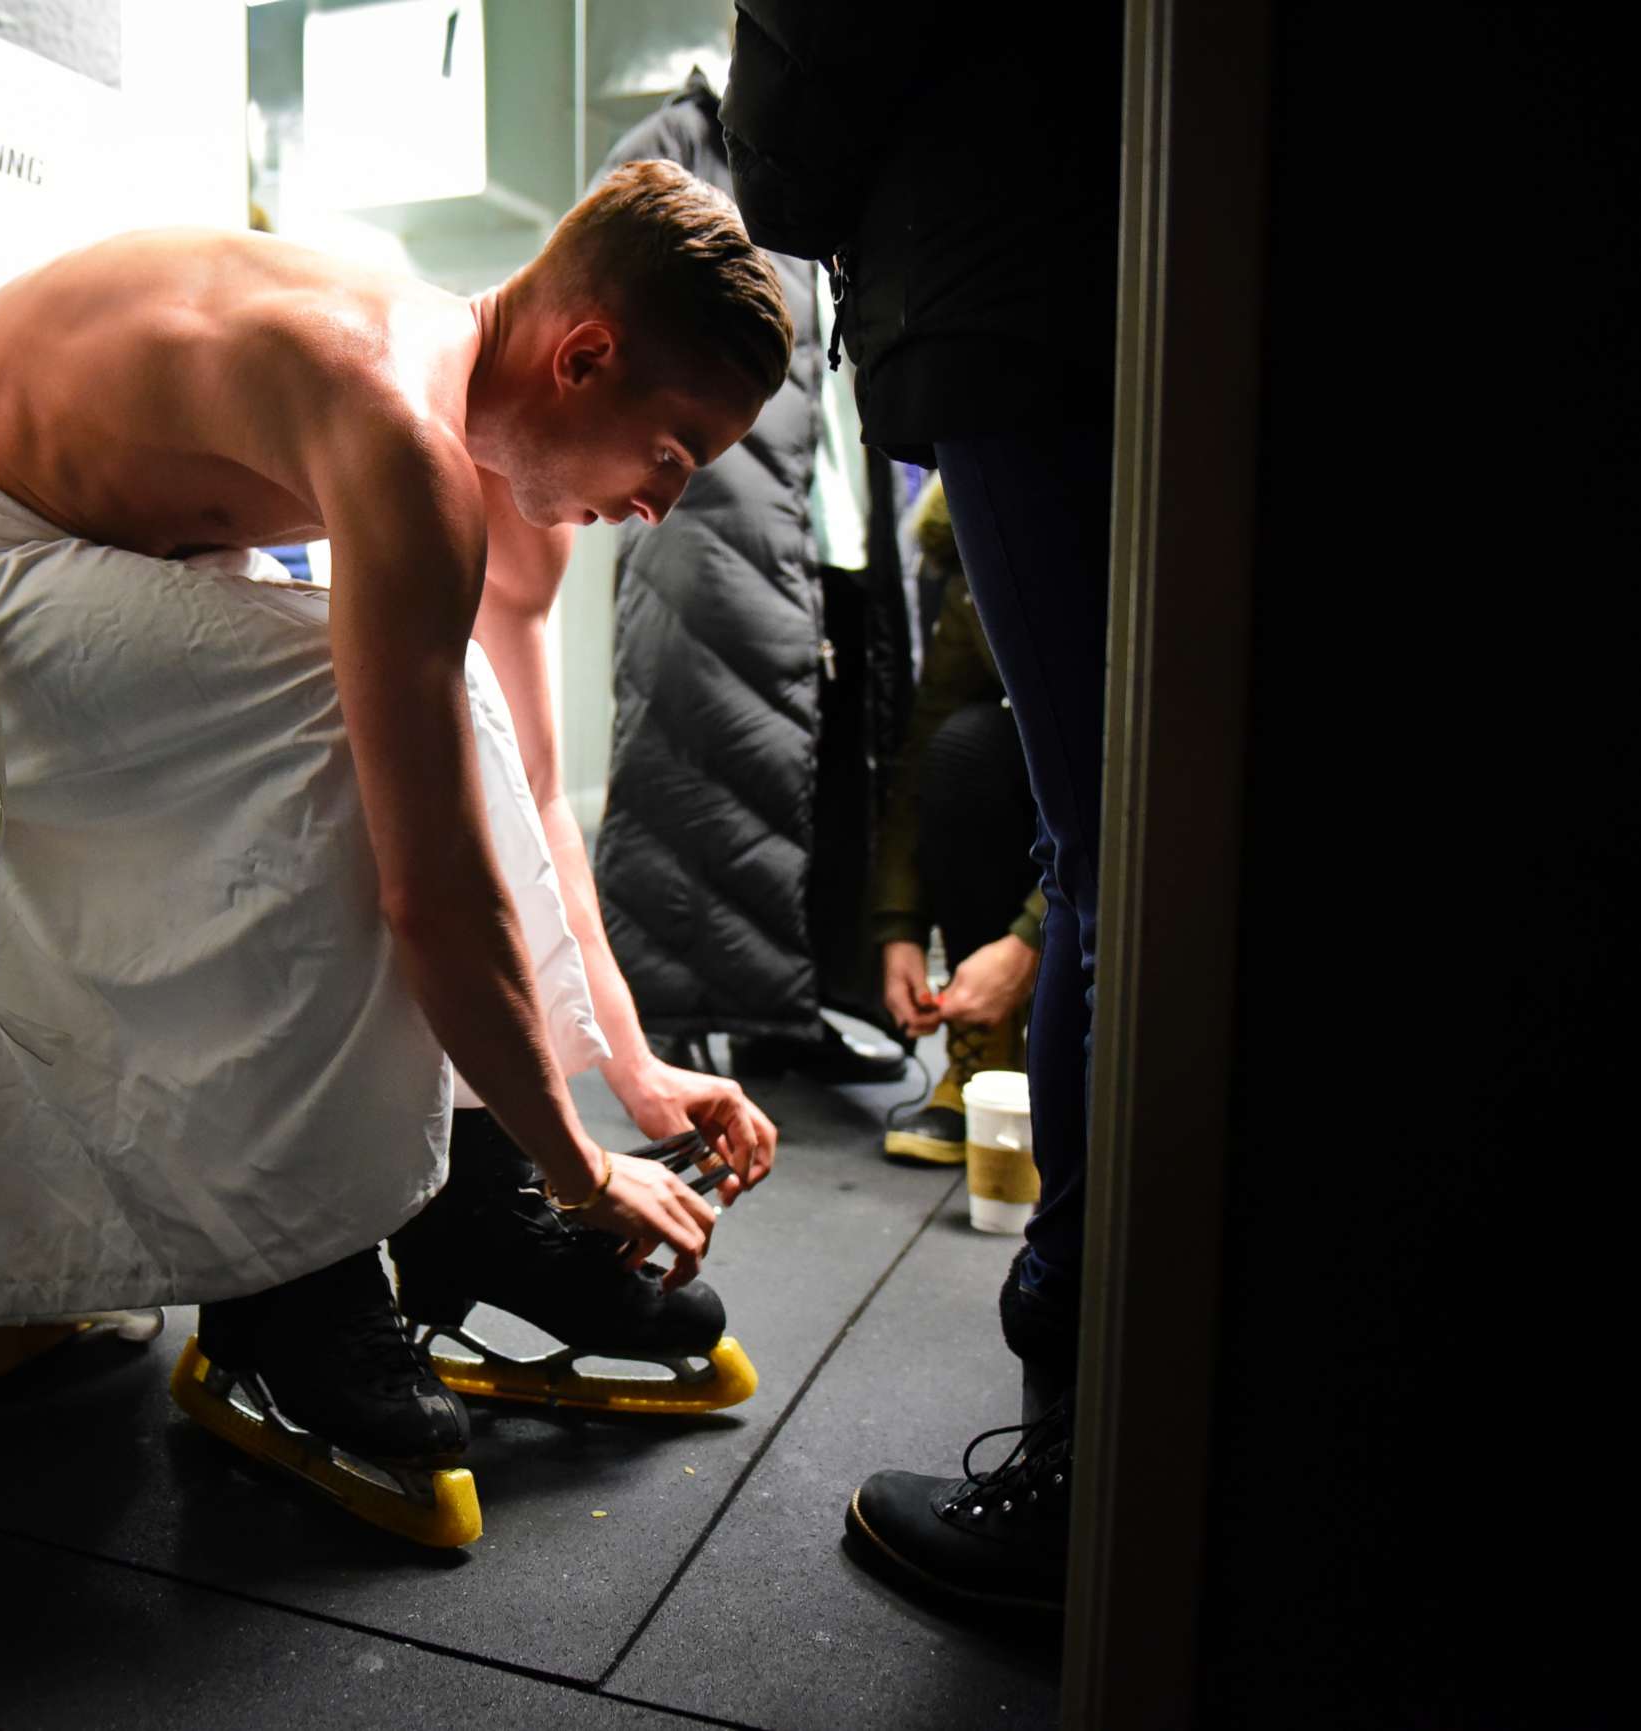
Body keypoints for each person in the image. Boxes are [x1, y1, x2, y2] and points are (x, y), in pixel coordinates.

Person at [0, 161, 782, 1543]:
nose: (660, 503)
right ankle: (283, 1286)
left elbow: (489, 803)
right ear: (586, 357)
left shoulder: (419, 363)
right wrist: (586, 1167)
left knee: (432, 697)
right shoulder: (398, 423)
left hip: (9, 551)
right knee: (325, 728)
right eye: (673, 451)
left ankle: (463, 1201)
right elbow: (431, 891)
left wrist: (621, 1084)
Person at [725, 0, 1123, 1609]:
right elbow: (953, 719)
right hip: (1058, 261)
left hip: (1006, 280)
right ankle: (1100, 1413)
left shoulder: (998, 391)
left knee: (1105, 854)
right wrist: (897, 923)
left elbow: (806, 104)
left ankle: (1082, 1445)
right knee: (1079, 817)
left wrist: (1027, 943)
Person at [584, 69, 906, 1087]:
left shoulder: (838, 163)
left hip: (824, 517)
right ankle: (675, 1014)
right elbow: (605, 311)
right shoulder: (677, 147)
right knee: (700, 757)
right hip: (716, 520)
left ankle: (783, 1009)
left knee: (811, 766)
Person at [872, 475, 1042, 1165]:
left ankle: (1072, 1047)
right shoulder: (977, 554)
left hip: (1131, 803)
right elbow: (924, 752)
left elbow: (1124, 776)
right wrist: (900, 929)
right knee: (963, 748)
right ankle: (984, 1055)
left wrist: (1032, 940)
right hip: (1039, 781)